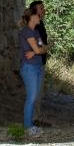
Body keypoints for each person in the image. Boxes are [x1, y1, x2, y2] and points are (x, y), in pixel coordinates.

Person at [17, 8, 47, 139]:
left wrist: (36, 51)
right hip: (29, 68)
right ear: (32, 17)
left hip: (37, 67)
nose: (40, 16)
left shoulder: (35, 32)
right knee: (31, 97)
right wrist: (38, 50)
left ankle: (29, 126)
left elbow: (44, 48)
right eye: (38, 15)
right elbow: (40, 48)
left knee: (34, 98)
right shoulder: (27, 32)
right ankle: (27, 127)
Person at [28, 0, 51, 127]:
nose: (44, 10)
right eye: (41, 8)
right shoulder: (34, 25)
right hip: (34, 63)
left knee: (38, 92)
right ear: (35, 11)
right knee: (35, 93)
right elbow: (37, 42)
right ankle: (32, 120)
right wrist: (44, 47)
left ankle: (35, 118)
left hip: (39, 62)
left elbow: (40, 41)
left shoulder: (39, 24)